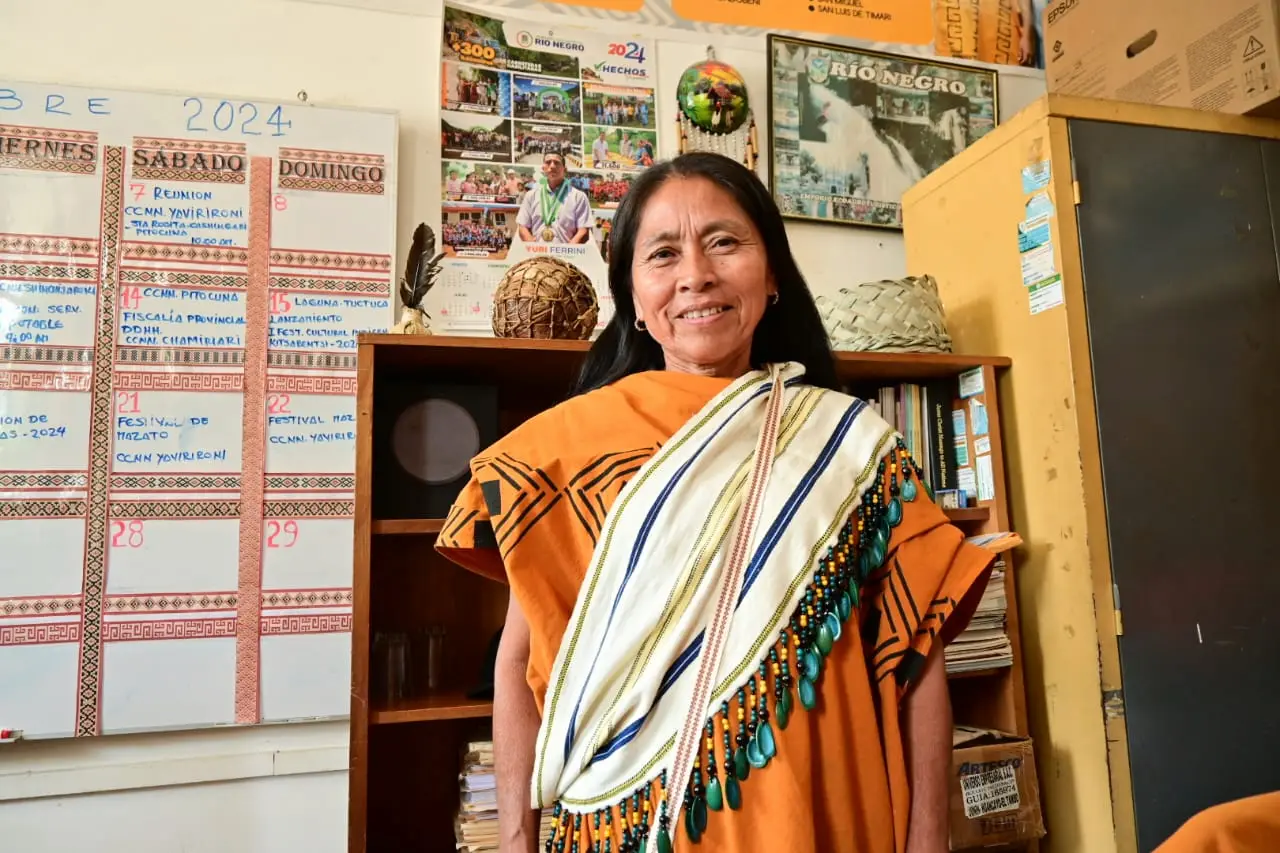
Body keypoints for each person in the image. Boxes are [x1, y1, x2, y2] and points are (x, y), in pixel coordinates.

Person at [437, 152, 996, 853]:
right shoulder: (558, 455)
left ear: (772, 276)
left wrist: (928, 840)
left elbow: (919, 652)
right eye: (663, 253)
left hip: (827, 820)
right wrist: (517, 839)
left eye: (725, 242)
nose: (695, 274)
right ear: (634, 298)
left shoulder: (853, 449)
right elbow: (521, 664)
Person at [516, 151, 591, 244]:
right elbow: (522, 227)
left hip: (567, 256)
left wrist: (569, 250)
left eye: (557, 163)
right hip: (537, 255)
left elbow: (583, 230)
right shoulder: (531, 195)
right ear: (543, 168)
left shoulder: (578, 197)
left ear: (565, 169)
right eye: (548, 162)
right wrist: (534, 248)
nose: (552, 166)